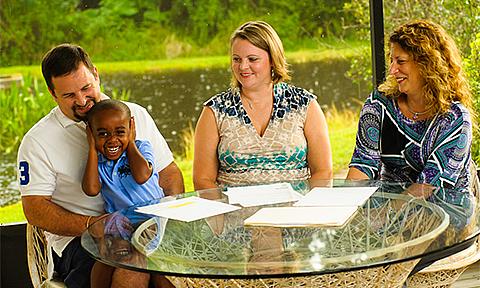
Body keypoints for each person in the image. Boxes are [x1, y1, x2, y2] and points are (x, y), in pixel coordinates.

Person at [17, 44, 183, 288]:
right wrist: (93, 225)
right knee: (133, 261)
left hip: (148, 225)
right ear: (53, 94)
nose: (82, 100)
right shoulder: (38, 141)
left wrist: (167, 223)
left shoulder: (134, 114)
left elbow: (169, 176)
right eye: (69, 95)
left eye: (86, 88)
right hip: (79, 240)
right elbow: (35, 209)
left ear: (96, 74)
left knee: (175, 268)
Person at [193, 20, 333, 190]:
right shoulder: (215, 111)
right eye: (236, 59)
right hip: (235, 214)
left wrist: (304, 210)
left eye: (252, 59)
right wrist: (222, 216)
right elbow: (203, 180)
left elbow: (323, 172)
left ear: (273, 60)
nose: (243, 67)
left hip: (295, 213)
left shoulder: (304, 104)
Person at [347, 19, 475, 200]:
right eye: (391, 61)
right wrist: (349, 208)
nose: (392, 70)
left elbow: (428, 185)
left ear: (427, 64)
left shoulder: (455, 118)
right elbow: (363, 164)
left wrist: (388, 218)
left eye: (400, 61)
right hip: (388, 206)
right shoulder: (378, 105)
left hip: (445, 213)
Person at [82, 99, 170, 288]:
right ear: (91, 133)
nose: (112, 139)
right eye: (102, 134)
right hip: (120, 222)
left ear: (131, 127)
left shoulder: (141, 147)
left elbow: (141, 176)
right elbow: (91, 189)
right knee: (105, 258)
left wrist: (129, 141)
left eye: (120, 132)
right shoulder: (98, 162)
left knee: (147, 258)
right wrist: (91, 147)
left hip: (151, 218)